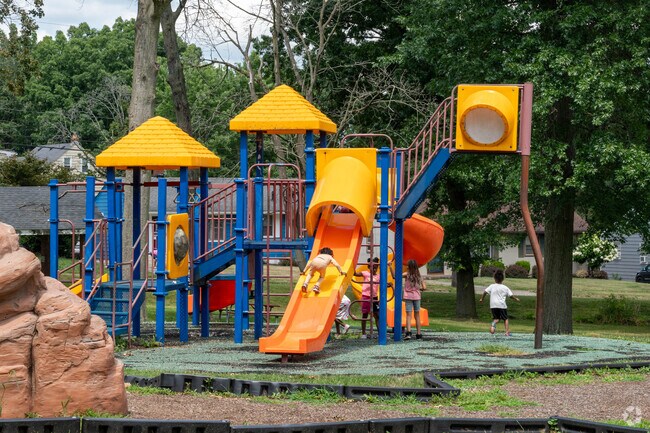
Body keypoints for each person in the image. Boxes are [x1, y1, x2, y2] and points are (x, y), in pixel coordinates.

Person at [479, 269, 520, 336]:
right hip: (502, 305)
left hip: (493, 305)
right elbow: (511, 296)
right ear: (503, 279)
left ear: (494, 278)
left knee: (496, 318)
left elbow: (485, 292)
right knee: (505, 319)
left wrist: (481, 299)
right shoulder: (505, 287)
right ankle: (507, 332)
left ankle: (493, 325)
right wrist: (516, 299)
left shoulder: (491, 286)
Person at [354, 257, 380, 338]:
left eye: (376, 267)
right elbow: (355, 274)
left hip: (375, 297)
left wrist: (389, 284)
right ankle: (364, 333)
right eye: (373, 267)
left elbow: (384, 283)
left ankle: (380, 333)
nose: (374, 269)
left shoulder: (379, 276)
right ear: (369, 267)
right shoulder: (365, 273)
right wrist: (353, 264)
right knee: (365, 315)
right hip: (366, 297)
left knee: (377, 315)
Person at [403, 259, 426, 340]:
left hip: (408, 296)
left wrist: (390, 267)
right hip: (416, 297)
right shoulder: (419, 276)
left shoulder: (407, 275)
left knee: (408, 316)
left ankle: (408, 333)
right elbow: (424, 287)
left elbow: (395, 276)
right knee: (417, 316)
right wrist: (419, 289)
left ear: (409, 267)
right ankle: (418, 334)